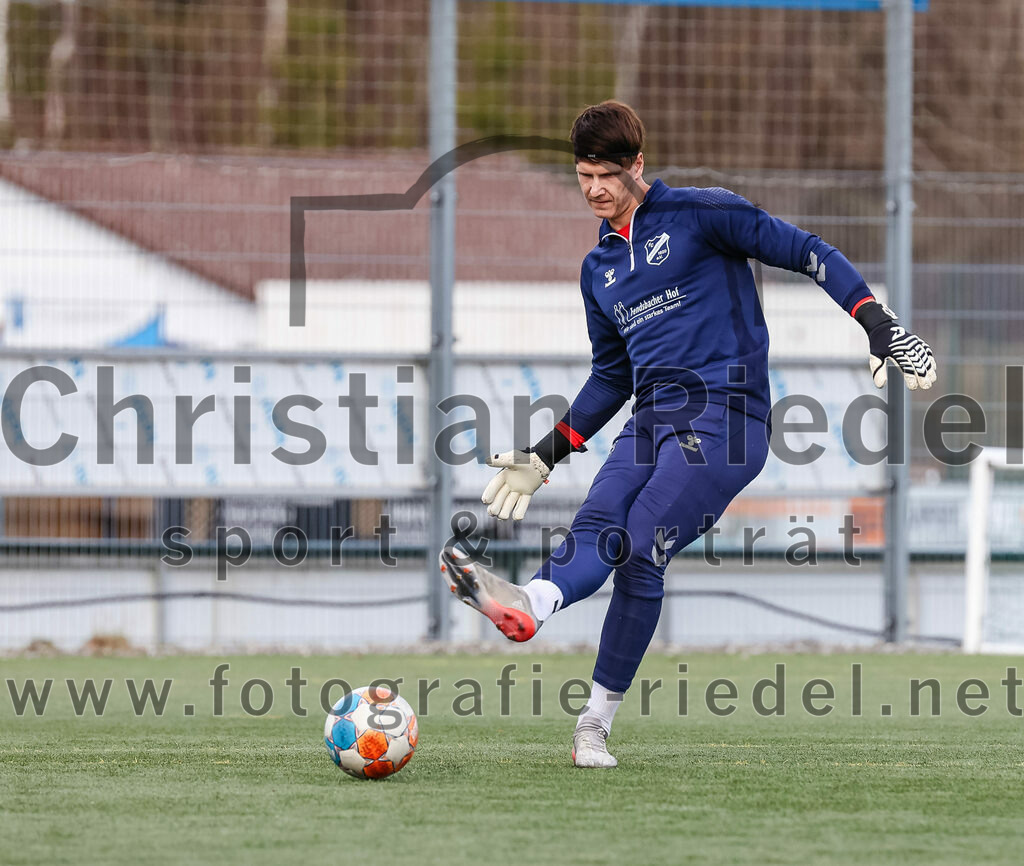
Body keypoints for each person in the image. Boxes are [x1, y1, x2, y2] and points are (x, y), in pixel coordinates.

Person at [439, 100, 936, 768]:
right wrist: (545, 453)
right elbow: (612, 378)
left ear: (637, 165)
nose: (594, 189)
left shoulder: (704, 214)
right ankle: (575, 690)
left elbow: (810, 251)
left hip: (729, 420)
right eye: (583, 175)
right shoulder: (599, 271)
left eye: (606, 175)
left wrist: (874, 320)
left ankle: (538, 614)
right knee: (605, 527)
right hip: (651, 421)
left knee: (638, 537)